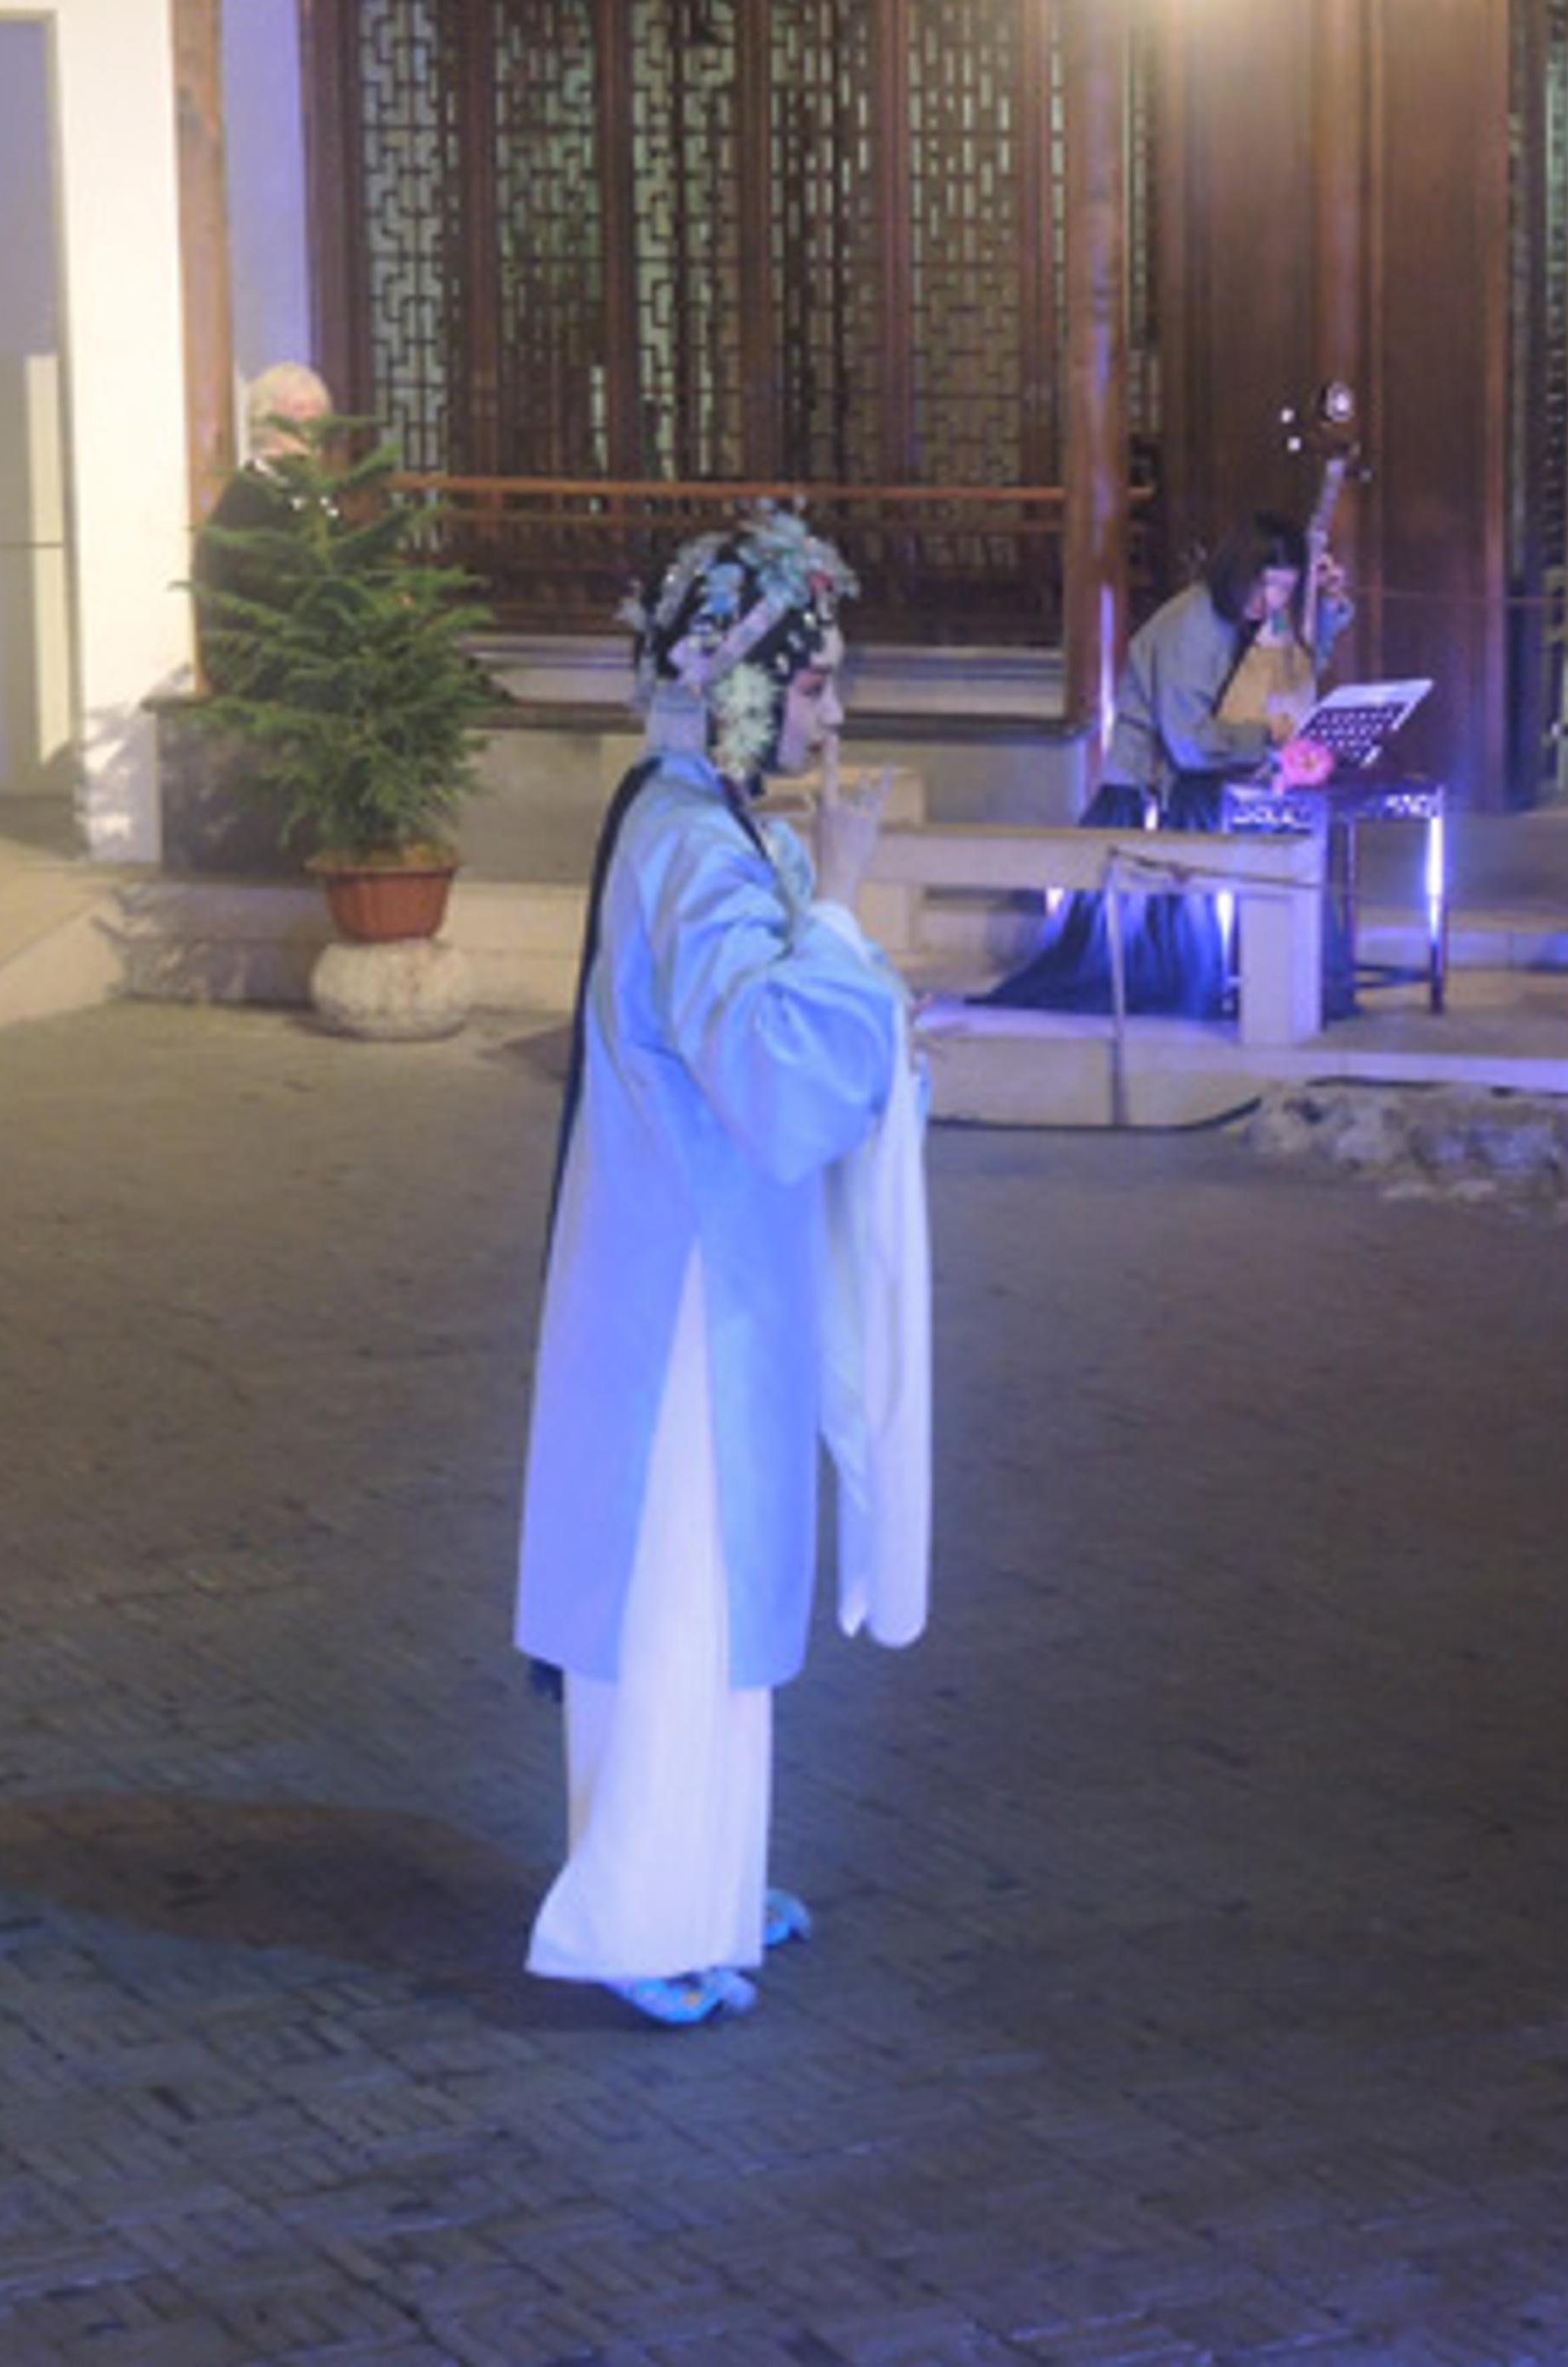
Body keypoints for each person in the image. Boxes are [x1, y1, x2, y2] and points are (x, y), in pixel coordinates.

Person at [514, 507, 930, 2029]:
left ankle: (699, 1876)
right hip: (683, 1290)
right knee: (678, 1598)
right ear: (744, 680)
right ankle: (640, 1909)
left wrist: (823, 911)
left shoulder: (695, 821)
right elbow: (765, 1061)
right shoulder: (695, 842)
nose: (832, 712)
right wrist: (838, 901)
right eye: (812, 683)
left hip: (698, 1262)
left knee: (713, 1592)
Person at [982, 511, 1348, 1019]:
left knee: (1295, 832)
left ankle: (1298, 984)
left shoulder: (1249, 617)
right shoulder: (1190, 626)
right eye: (1267, 588)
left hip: (1218, 780)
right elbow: (1189, 744)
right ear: (1239, 573)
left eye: (1286, 591)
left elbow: (1290, 674)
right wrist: (1269, 739)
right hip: (1157, 789)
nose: (1272, 604)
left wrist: (1323, 607)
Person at [192, 362, 335, 697]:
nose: (312, 428)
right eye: (299, 415)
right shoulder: (247, 505)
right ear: (266, 423)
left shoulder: (316, 497)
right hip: (266, 687)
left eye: (320, 415)